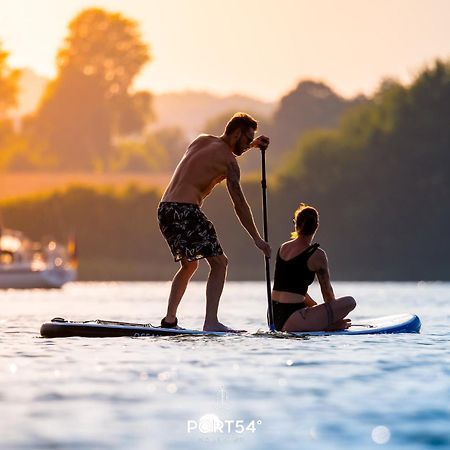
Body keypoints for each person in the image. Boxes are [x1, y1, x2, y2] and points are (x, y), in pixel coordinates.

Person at [158, 112, 271, 332]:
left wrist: (253, 145)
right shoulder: (230, 163)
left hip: (165, 209)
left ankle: (169, 319)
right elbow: (239, 204)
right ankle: (211, 322)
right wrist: (257, 238)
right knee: (220, 263)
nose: (248, 144)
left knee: (190, 264)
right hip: (185, 210)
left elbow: (217, 153)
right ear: (237, 133)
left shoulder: (201, 140)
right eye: (247, 139)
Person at [271, 203, 356, 332]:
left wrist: (315, 309)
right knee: (350, 302)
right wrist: (333, 319)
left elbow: (291, 287)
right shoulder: (317, 255)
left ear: (295, 223)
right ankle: (330, 326)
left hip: (273, 317)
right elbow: (328, 295)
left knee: (314, 307)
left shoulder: (283, 248)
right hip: (294, 321)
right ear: (317, 226)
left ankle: (317, 323)